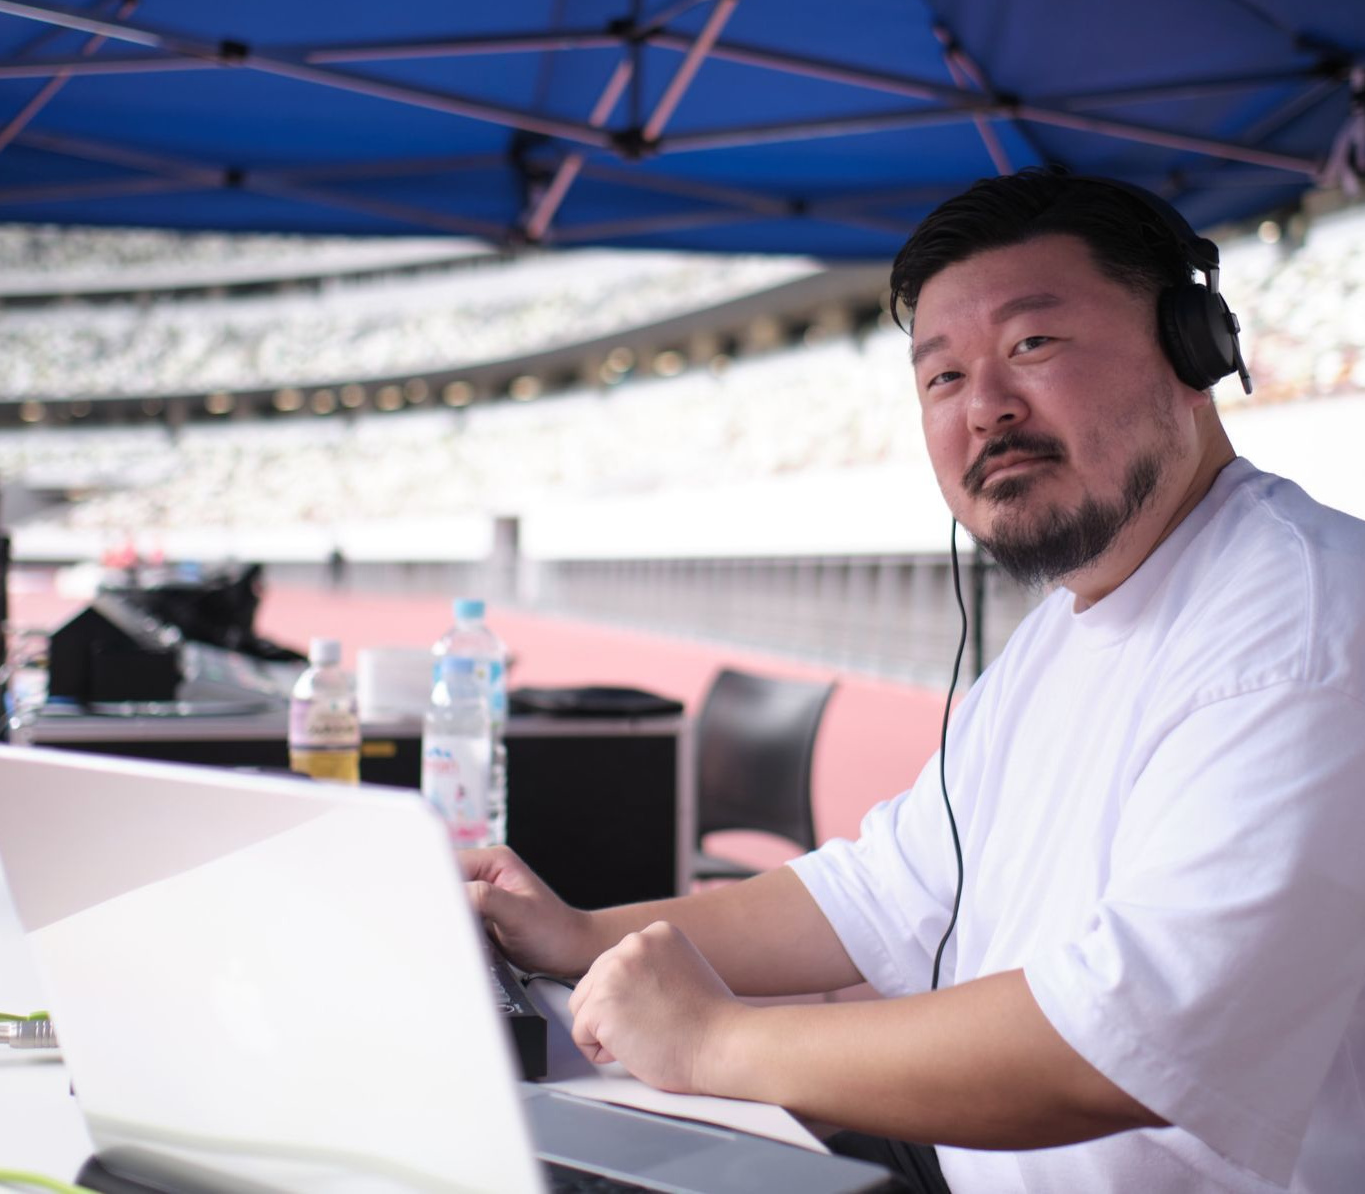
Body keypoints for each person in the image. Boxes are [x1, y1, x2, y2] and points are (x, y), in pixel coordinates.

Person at [461, 170, 1365, 1194]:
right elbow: (881, 893)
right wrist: (581, 935)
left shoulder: (1302, 629)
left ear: (1192, 350)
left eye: (1033, 343)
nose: (985, 408)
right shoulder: (1069, 624)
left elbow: (1120, 1043)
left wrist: (714, 1040)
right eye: (941, 377)